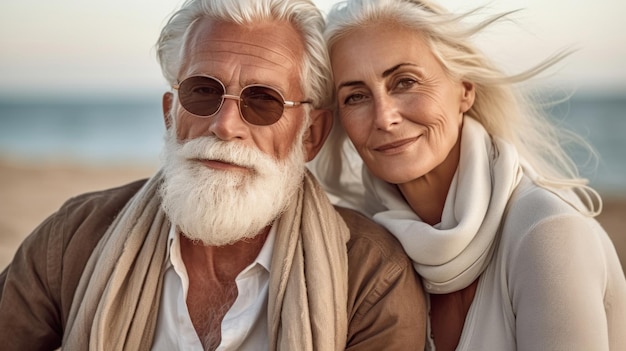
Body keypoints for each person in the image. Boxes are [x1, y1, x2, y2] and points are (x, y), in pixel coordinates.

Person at [0, 0, 428, 349]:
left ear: (311, 134)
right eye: (203, 91)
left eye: (263, 101)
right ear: (171, 113)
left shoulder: (370, 277)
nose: (224, 125)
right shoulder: (74, 238)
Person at [310, 0, 626, 350]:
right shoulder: (364, 249)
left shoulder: (546, 233)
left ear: (464, 89)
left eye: (405, 82)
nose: (384, 117)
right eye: (356, 96)